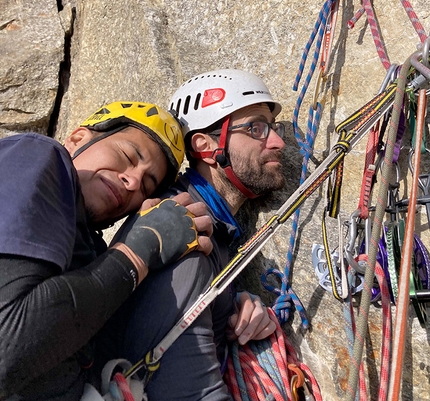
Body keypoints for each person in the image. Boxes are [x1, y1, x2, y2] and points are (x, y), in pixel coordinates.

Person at [0, 101, 213, 401]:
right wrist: (138, 251)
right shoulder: (36, 156)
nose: (133, 181)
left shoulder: (92, 253)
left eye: (147, 186)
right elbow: (6, 347)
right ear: (78, 139)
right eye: (127, 156)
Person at [96, 70, 287, 400]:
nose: (278, 142)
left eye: (274, 128)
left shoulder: (211, 226)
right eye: (256, 128)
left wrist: (236, 307)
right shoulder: (180, 233)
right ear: (206, 145)